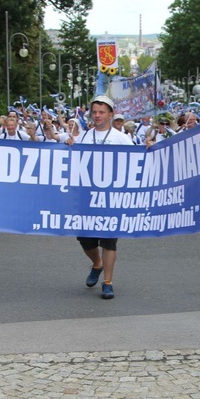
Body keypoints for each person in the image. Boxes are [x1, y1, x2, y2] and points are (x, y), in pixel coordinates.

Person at [76, 96, 133, 299]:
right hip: (87, 199)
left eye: (102, 112)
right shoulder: (83, 136)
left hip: (111, 199)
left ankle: (107, 282)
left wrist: (149, 148)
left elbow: (137, 161)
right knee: (85, 239)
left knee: (109, 241)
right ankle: (96, 264)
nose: (98, 116)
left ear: (110, 114)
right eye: (95, 112)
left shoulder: (121, 138)